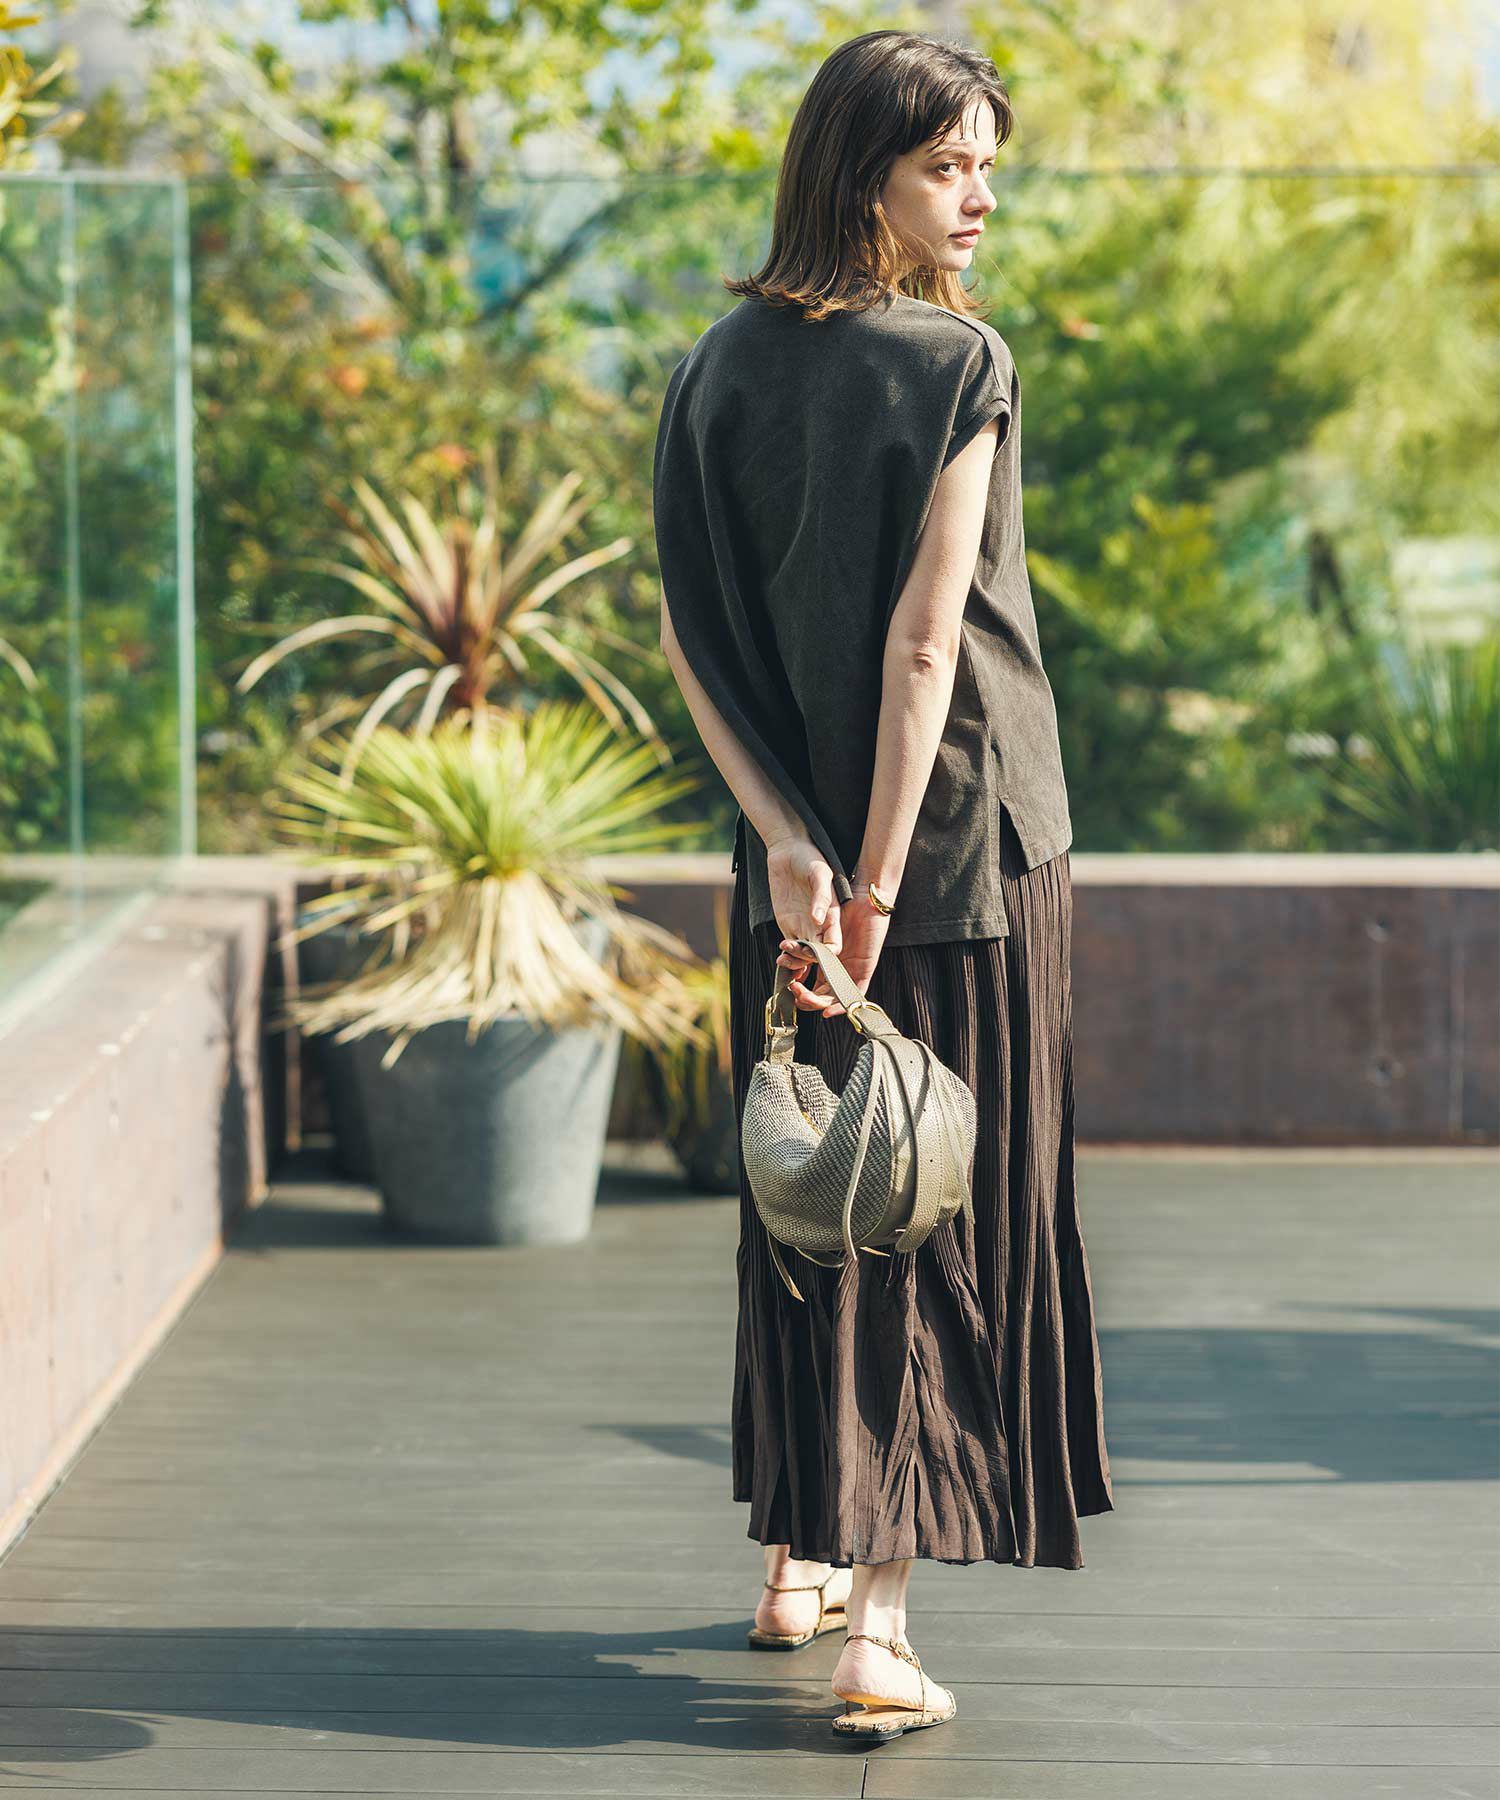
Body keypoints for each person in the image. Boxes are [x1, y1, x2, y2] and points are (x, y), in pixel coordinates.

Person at [652, 28, 1113, 1741]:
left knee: (804, 1195)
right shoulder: (956, 360)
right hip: (960, 856)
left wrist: (788, 842)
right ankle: (884, 1634)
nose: (979, 196)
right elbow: (929, 648)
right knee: (929, 1207)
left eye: (988, 163)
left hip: (784, 869)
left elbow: (691, 640)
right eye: (946, 165)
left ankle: (799, 1563)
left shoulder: (713, 367)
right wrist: (874, 882)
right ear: (864, 173)